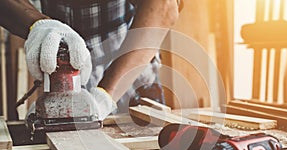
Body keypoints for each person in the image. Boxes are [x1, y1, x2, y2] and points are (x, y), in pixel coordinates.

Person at [0, 0, 183, 120]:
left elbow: (164, 6)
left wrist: (106, 95)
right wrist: (39, 25)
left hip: (132, 81)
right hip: (64, 85)